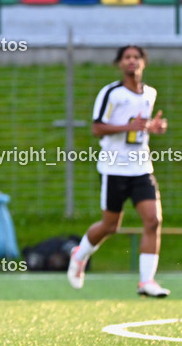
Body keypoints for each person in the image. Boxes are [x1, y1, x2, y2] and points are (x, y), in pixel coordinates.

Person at [68, 45, 170, 298]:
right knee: (110, 226)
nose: (132, 61)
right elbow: (97, 128)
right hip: (114, 167)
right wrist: (127, 127)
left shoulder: (150, 94)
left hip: (141, 167)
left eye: (136, 57)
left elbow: (140, 127)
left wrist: (152, 128)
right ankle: (79, 255)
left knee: (153, 220)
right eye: (127, 58)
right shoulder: (111, 93)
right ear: (119, 64)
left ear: (143, 63)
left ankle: (146, 281)